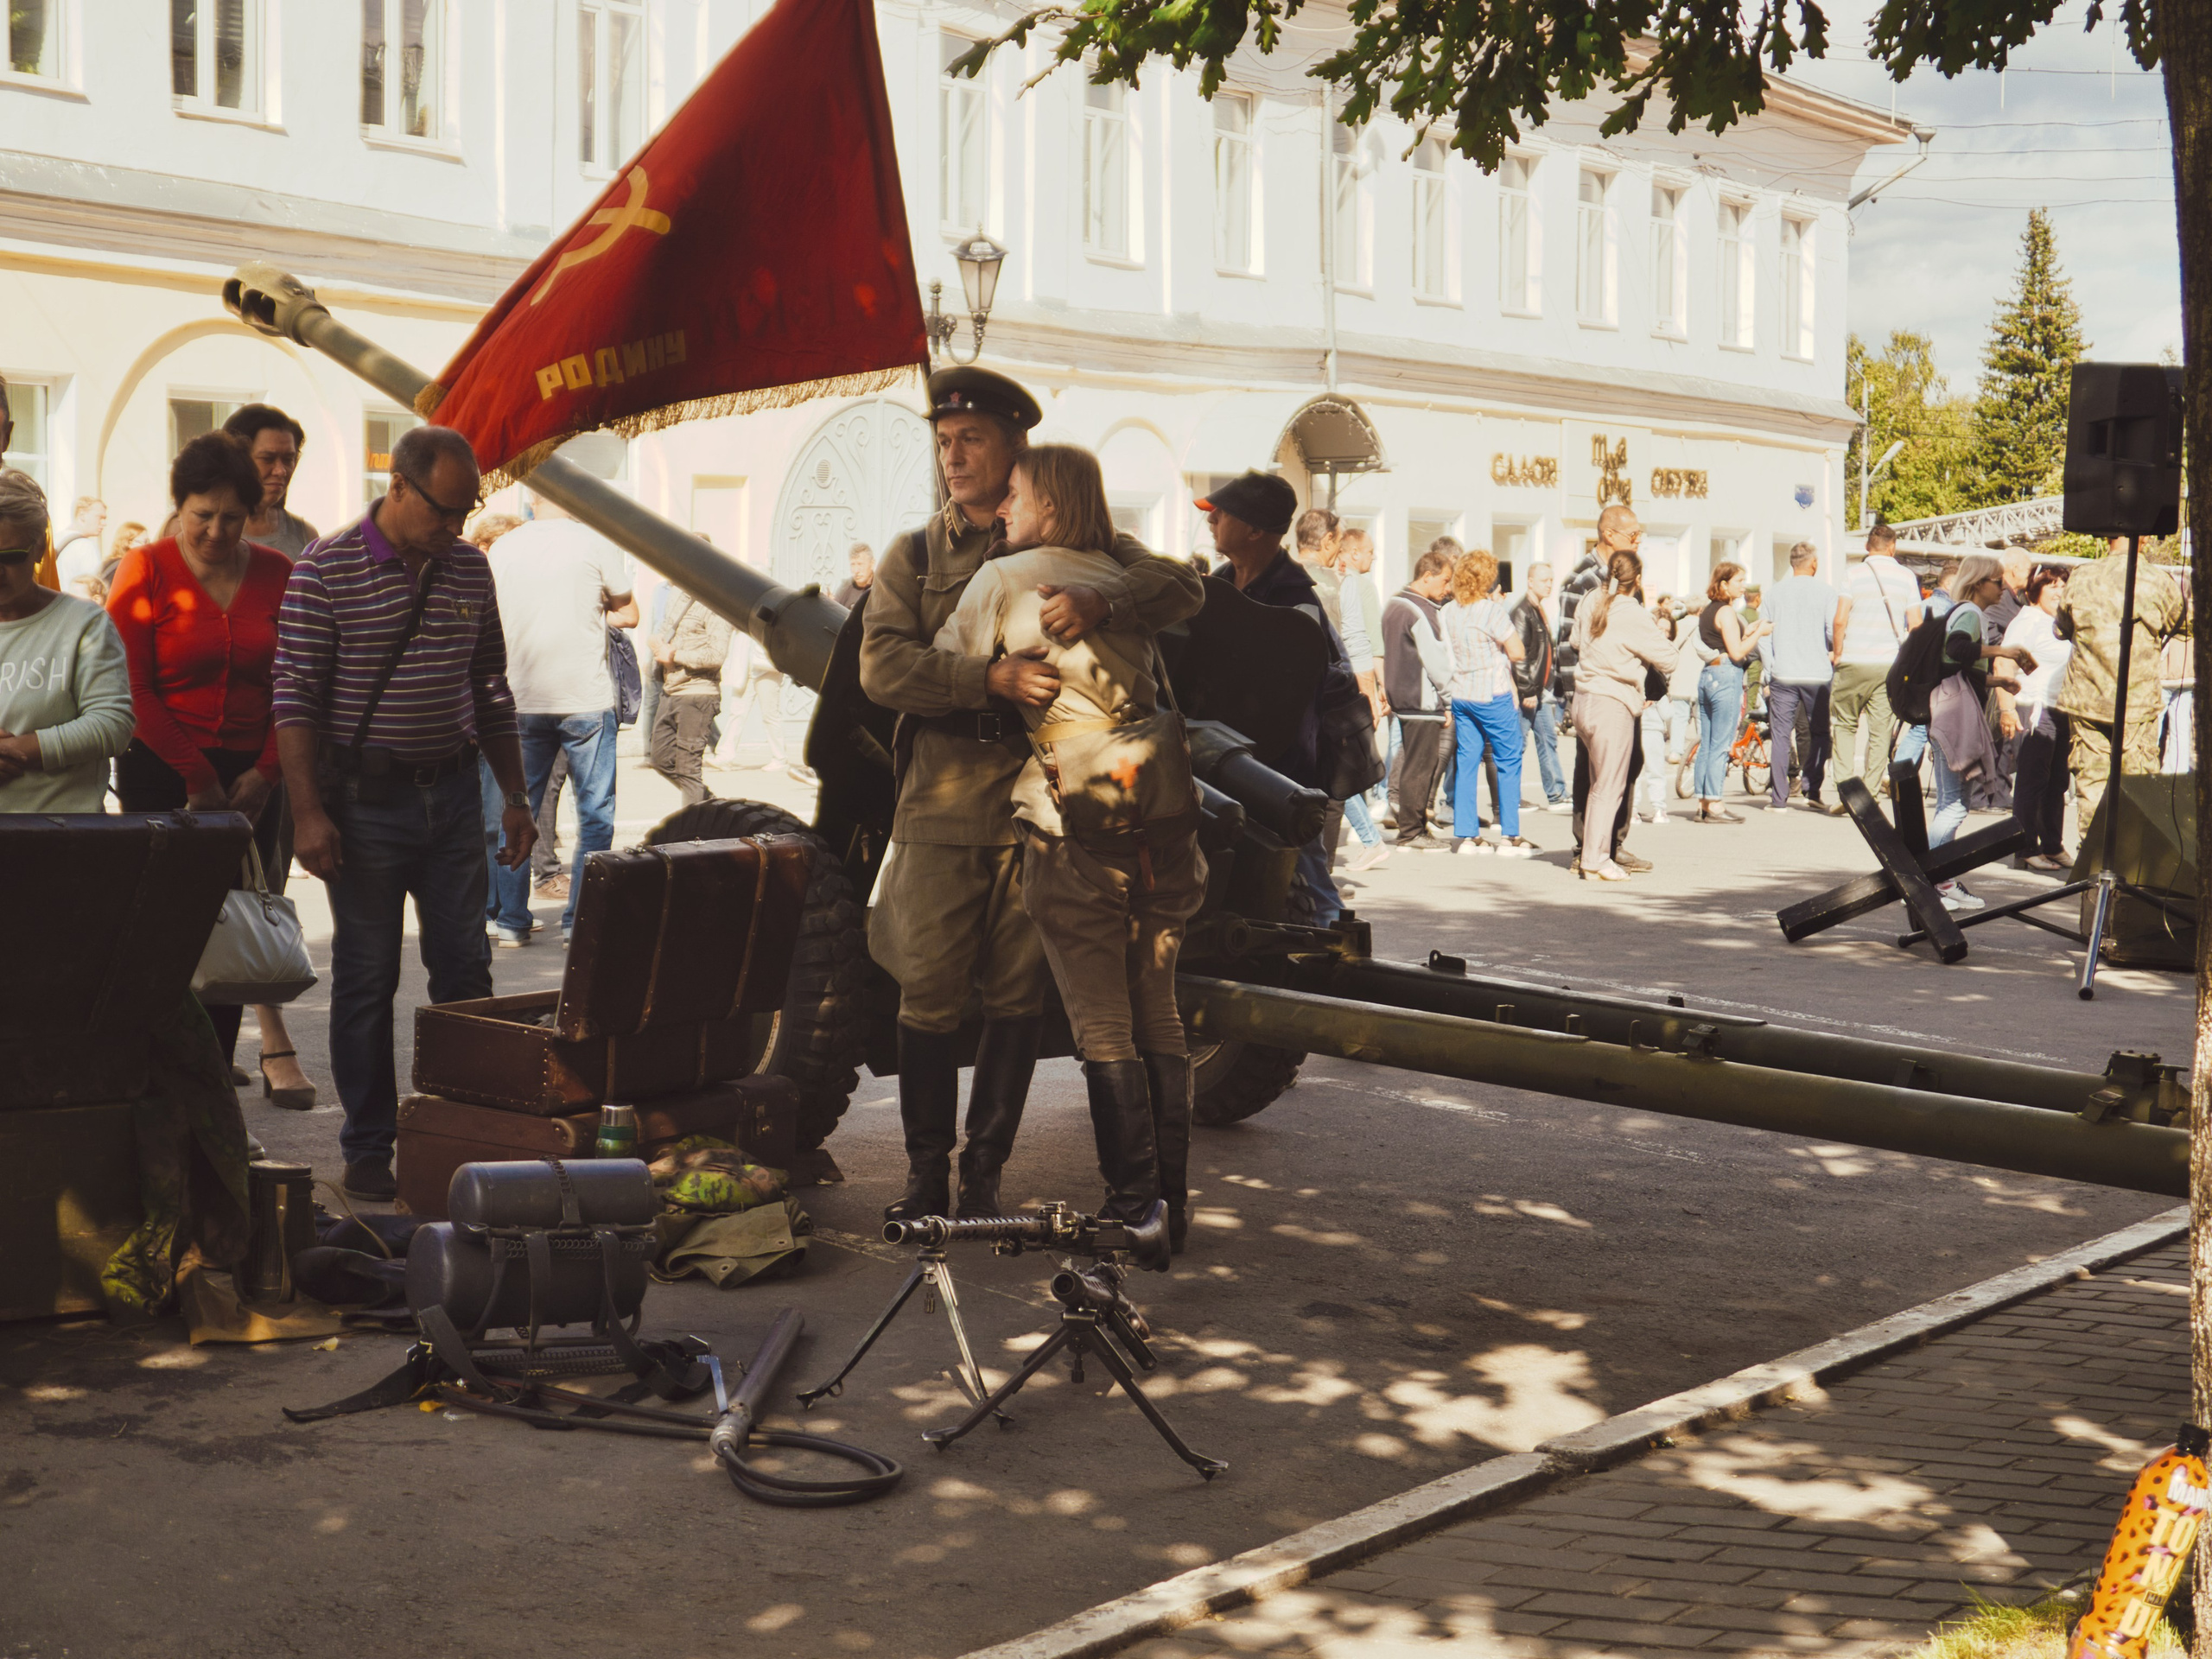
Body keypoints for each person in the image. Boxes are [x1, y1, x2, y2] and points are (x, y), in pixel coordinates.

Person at [861, 366, 1204, 1223]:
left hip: (1048, 802)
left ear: (1016, 449)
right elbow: (882, 666)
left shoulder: (1089, 540)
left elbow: (1182, 586)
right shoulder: (914, 554)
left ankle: (983, 1172)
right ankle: (920, 1175)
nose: (954, 457)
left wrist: (1102, 596)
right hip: (943, 797)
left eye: (971, 439)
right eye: (943, 442)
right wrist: (988, 676)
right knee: (930, 991)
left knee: (1016, 997)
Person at [934, 444, 1205, 1249]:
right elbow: (1186, 584)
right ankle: (1171, 1205)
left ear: (1048, 503)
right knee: (1156, 1008)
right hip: (1160, 812)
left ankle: (1131, 1210)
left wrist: (989, 668)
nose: (1004, 508)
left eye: (1014, 494)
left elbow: (944, 659)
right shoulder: (1123, 581)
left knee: (1101, 1025)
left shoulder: (1007, 580)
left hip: (1072, 816)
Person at [272, 424, 535, 1201]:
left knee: (466, 973)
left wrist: (515, 795)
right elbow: (294, 700)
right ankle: (368, 1145)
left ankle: (467, 1131)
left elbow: (490, 687)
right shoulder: (326, 570)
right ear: (398, 487)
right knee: (366, 977)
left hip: (454, 801)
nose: (455, 529)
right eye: (444, 511)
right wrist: (308, 814)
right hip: (363, 806)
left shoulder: (468, 570)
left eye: (466, 513)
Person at [106, 431, 300, 1084]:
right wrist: (196, 775)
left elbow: (296, 684)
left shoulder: (278, 572)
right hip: (162, 768)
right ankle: (157, 1080)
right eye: (201, 516)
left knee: (236, 930)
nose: (215, 531)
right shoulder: (146, 567)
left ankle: (216, 1078)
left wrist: (268, 771)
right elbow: (131, 687)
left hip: (253, 777)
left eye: (231, 517)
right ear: (178, 506)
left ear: (253, 516)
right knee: (165, 935)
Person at [480, 495, 636, 944]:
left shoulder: (506, 547)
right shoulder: (595, 543)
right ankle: (579, 921)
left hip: (522, 698)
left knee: (515, 808)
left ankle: (510, 920)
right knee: (594, 814)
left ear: (532, 500)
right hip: (584, 696)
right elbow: (627, 609)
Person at [1205, 473, 1353, 912]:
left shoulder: (1296, 601)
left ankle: (1339, 952)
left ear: (1254, 530)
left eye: (1222, 514)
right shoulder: (1219, 582)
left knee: (1306, 870)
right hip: (1228, 759)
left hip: (1277, 772)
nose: (1211, 521)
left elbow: (1296, 693)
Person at [0, 469, 133, 812]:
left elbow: (113, 723)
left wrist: (24, 749)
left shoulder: (83, 624)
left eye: (11, 557)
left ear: (40, 548)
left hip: (64, 838)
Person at [2055, 537, 2185, 842]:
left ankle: (2094, 872)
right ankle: (2133, 873)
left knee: (2091, 786)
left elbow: (2061, 628)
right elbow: (2184, 623)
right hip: (2135, 704)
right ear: (2145, 538)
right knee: (2138, 789)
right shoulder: (2157, 580)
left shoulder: (2081, 575)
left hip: (2086, 699)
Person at [1927, 553, 2036, 910]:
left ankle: (1937, 879)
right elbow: (1957, 650)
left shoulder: (1962, 611)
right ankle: (1934, 879)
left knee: (1950, 802)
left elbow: (1958, 664)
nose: (2003, 587)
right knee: (1955, 806)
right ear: (1979, 583)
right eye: (1996, 581)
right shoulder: (1971, 613)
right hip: (1954, 716)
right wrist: (2004, 650)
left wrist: (1997, 679)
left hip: (1947, 712)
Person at [1570, 548, 1677, 880]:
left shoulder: (1589, 599)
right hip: (1612, 703)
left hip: (1583, 699)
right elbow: (1669, 659)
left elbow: (1575, 640)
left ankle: (1592, 853)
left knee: (1596, 785)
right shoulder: (1631, 612)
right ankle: (1595, 860)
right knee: (1609, 787)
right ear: (1639, 580)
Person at [1443, 547, 1534, 856]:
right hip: (1492, 692)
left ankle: (1467, 835)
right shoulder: (1491, 611)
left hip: (1462, 693)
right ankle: (1510, 835)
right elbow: (1518, 651)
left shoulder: (1450, 611)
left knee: (1467, 761)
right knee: (1508, 760)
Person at [1827, 524, 1923, 799]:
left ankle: (1846, 788)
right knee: (1881, 730)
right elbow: (1916, 625)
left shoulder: (1852, 575)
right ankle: (1867, 794)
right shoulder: (1906, 577)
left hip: (1853, 662)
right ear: (1893, 547)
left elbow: (1839, 619)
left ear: (1867, 546)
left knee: (1845, 725)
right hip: (1889, 666)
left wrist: (1839, 653)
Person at [1382, 548, 1456, 850]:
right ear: (1427, 577)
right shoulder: (1421, 610)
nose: (1448, 588)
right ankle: (1412, 833)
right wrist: (1449, 699)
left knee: (1413, 764)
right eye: (1445, 580)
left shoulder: (1394, 605)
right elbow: (1436, 661)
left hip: (1400, 694)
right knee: (1420, 768)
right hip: (1423, 699)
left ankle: (1412, 828)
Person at [2000, 566, 2073, 872]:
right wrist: (2006, 708)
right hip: (2035, 707)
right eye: (2052, 585)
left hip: (2061, 709)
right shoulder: (2028, 620)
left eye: (2063, 585)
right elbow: (2004, 662)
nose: (2059, 591)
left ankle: (2053, 846)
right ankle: (2026, 848)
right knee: (2033, 781)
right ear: (2036, 589)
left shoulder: (2060, 622)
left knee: (2057, 782)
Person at [1686, 563, 1767, 824]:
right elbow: (1737, 652)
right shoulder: (1727, 612)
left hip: (1708, 674)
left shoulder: (1708, 611)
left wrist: (1750, 632)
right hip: (1726, 675)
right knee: (1721, 743)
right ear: (1723, 584)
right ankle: (1716, 803)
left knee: (1707, 742)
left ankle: (1703, 802)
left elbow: (1724, 643)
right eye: (1738, 581)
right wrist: (1760, 633)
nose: (1743, 585)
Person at [1760, 543, 1835, 811]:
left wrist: (1770, 667)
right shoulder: (1827, 593)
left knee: (1781, 735)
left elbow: (1763, 635)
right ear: (1813, 563)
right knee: (1820, 733)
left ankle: (1778, 799)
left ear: (1792, 564)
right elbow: (1831, 632)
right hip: (1817, 673)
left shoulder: (1773, 594)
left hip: (1783, 673)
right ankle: (1812, 790)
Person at [649, 584, 732, 808]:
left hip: (698, 694)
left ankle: (693, 835)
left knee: (688, 770)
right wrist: (658, 644)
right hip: (671, 690)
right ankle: (710, 806)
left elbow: (716, 655)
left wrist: (675, 655)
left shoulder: (716, 604)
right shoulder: (679, 595)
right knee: (660, 759)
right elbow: (667, 630)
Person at [221, 404, 321, 557]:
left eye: (288, 459)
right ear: (237, 458)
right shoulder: (202, 531)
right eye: (268, 459)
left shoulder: (305, 536)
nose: (280, 471)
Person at [1511, 562, 1568, 812]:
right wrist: (1527, 690)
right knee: (1516, 745)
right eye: (1544, 580)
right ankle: (1510, 797)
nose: (1549, 584)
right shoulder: (1522, 611)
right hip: (1530, 692)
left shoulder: (1539, 610)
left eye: (1551, 580)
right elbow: (1520, 656)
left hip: (1542, 690)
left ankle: (1557, 793)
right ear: (1530, 581)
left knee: (1548, 741)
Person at [1636, 595, 1678, 823]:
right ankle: (1632, 809)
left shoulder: (1668, 653)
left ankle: (1659, 807)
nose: (1664, 634)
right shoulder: (1642, 649)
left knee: (1654, 765)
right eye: (1660, 628)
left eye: (1667, 631)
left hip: (1654, 715)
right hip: (1639, 710)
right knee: (1635, 768)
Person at [52, 497, 107, 601]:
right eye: (100, 517)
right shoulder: (86, 546)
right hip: (72, 609)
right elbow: (92, 590)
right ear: (82, 516)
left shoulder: (54, 540)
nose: (104, 523)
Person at [834, 542, 875, 609]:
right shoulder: (845, 587)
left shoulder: (881, 587)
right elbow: (834, 612)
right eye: (853, 564)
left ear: (872, 564)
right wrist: (829, 604)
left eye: (860, 564)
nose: (856, 571)